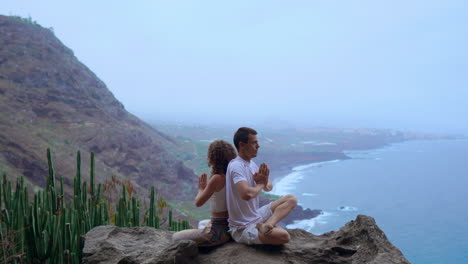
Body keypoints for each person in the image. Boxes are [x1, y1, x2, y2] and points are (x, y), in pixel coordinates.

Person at [226, 127, 297, 245]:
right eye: (254, 143)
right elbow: (246, 194)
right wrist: (260, 184)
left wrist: (263, 182)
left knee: (291, 199)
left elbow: (269, 186)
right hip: (242, 227)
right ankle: (265, 228)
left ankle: (267, 225)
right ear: (242, 145)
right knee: (284, 236)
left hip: (256, 217)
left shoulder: (251, 164)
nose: (258, 146)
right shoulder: (236, 166)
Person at [173, 140, 237, 247]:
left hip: (219, 231)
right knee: (202, 223)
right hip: (231, 226)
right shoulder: (235, 176)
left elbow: (198, 202)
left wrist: (201, 189)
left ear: (213, 158)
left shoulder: (217, 178)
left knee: (176, 237)